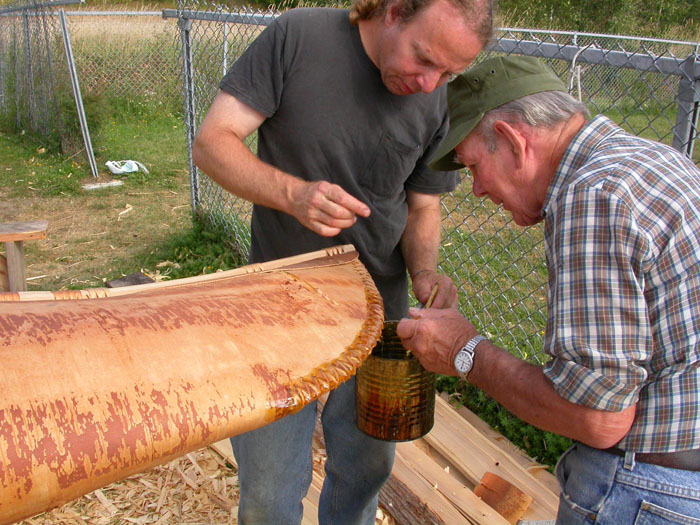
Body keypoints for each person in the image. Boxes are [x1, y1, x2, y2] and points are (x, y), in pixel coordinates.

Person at [191, 0, 494, 521]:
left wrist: (423, 272)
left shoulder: (435, 93)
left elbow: (423, 204)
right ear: (395, 12)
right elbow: (211, 143)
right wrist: (292, 194)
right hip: (275, 306)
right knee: (268, 490)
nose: (430, 84)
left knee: (365, 470)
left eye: (449, 72)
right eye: (424, 60)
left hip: (380, 315)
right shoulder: (297, 37)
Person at [397, 55, 700, 523]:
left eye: (473, 165)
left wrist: (464, 350)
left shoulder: (594, 196)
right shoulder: (655, 160)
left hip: (653, 493)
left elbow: (597, 418)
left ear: (513, 141)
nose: (475, 189)